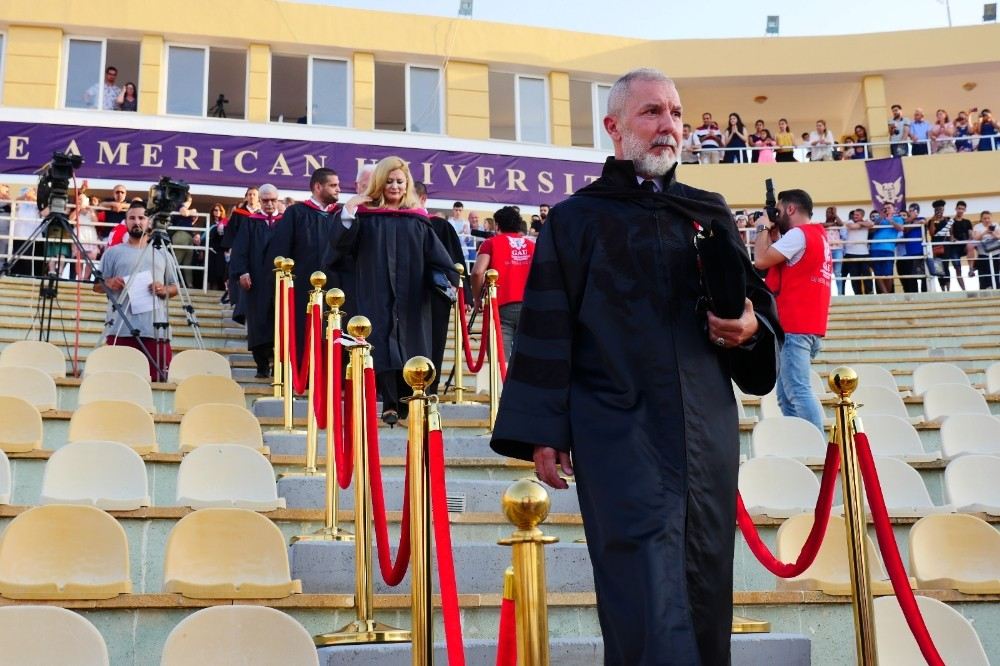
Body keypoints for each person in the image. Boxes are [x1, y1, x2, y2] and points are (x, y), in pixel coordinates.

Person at [490, 69, 781, 666]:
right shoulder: (575, 221)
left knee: (703, 579)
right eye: (652, 112)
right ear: (614, 127)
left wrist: (749, 328)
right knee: (643, 583)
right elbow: (548, 327)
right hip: (617, 427)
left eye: (676, 113)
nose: (668, 126)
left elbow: (758, 311)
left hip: (705, 430)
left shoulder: (708, 212)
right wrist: (548, 430)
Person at [335, 157, 457, 426]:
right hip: (376, 290)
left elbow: (437, 256)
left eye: (400, 182)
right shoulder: (365, 217)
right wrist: (348, 213)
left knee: (410, 342)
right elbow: (340, 247)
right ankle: (389, 402)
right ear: (379, 183)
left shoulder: (417, 219)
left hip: (411, 294)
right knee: (382, 342)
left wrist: (448, 280)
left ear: (407, 185)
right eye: (389, 181)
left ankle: (410, 398)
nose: (394, 186)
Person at [754, 189, 830, 434]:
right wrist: (774, 235)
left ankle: (816, 445)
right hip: (807, 325)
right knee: (786, 396)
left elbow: (761, 260)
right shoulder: (817, 235)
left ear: (790, 209)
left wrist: (763, 228)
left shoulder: (799, 234)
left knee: (796, 391)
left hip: (795, 326)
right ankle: (800, 441)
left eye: (778, 210)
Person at [94, 201, 178, 381]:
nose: (137, 222)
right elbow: (96, 286)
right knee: (118, 382)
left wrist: (163, 289)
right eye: (132, 218)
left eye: (141, 217)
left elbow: (175, 287)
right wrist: (109, 283)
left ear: (149, 221)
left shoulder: (162, 252)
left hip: (156, 330)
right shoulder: (113, 253)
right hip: (120, 328)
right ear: (126, 222)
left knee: (158, 382)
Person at [270, 169, 343, 366]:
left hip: (336, 288)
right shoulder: (296, 213)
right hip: (303, 286)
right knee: (305, 330)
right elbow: (281, 250)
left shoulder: (340, 215)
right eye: (333, 185)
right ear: (318, 187)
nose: (339, 190)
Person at [414, 180, 470, 396]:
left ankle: (431, 390)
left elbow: (457, 262)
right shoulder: (400, 222)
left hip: (437, 294)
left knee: (435, 342)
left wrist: (467, 298)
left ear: (422, 198)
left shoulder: (440, 225)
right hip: (408, 293)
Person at [470, 206, 536, 361]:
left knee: (500, 362)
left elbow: (477, 272)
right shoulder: (532, 245)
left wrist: (477, 298)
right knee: (527, 360)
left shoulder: (490, 243)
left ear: (497, 225)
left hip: (501, 305)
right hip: (529, 305)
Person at [231, 184, 284, 378]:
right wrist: (242, 272)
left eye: (273, 200)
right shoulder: (250, 222)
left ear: (278, 199)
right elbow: (240, 250)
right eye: (265, 200)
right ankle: (261, 365)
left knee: (281, 324)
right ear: (259, 201)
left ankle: (280, 366)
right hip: (257, 282)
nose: (269, 204)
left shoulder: (285, 222)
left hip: (282, 282)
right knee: (259, 323)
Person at [223, 186, 261, 323]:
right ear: (246, 197)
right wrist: (231, 248)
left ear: (258, 197)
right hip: (240, 250)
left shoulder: (261, 214)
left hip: (256, 251)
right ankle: (240, 306)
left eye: (254, 194)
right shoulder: (239, 213)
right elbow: (231, 231)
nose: (251, 197)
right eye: (249, 194)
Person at [870, 203, 903, 294]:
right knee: (878, 274)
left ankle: (887, 294)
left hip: (888, 249)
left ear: (894, 209)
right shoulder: (879, 219)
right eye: (884, 208)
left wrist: (890, 220)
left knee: (888, 274)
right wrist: (881, 217)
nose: (886, 209)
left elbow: (900, 228)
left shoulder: (898, 218)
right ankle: (885, 294)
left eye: (888, 208)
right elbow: (872, 229)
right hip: (875, 249)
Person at [842, 208, 874, 295]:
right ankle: (858, 294)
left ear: (862, 216)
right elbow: (852, 226)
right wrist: (862, 224)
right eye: (854, 215)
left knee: (867, 274)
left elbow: (871, 224)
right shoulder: (850, 222)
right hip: (851, 253)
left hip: (864, 253)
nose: (855, 216)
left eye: (857, 215)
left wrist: (860, 223)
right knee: (855, 276)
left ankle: (869, 293)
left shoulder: (867, 221)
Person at [898, 203, 927, 293]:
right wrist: (911, 221)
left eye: (911, 211)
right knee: (911, 276)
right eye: (909, 211)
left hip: (921, 252)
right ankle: (914, 294)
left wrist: (913, 222)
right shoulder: (905, 222)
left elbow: (923, 222)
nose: (909, 213)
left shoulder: (921, 218)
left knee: (923, 275)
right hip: (909, 254)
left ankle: (925, 294)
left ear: (916, 212)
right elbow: (905, 229)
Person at [972, 211, 1000, 289]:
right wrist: (985, 232)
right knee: (983, 274)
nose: (987, 220)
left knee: (995, 273)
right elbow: (976, 238)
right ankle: (985, 290)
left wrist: (992, 233)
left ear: (991, 218)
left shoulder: (996, 225)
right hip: (982, 254)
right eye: (985, 218)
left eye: (988, 218)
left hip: (995, 253)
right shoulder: (977, 226)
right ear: (981, 219)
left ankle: (996, 289)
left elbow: (998, 237)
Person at [205, 203, 229, 293]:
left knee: (220, 271)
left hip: (220, 250)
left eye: (219, 210)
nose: (217, 212)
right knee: (209, 271)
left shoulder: (226, 222)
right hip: (210, 249)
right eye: (215, 210)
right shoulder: (208, 222)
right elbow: (205, 237)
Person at [823, 207, 846, 295]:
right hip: (827, 251)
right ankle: (827, 295)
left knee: (838, 273)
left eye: (831, 212)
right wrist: (833, 224)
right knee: (826, 273)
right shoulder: (824, 223)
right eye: (827, 212)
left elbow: (841, 224)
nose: (829, 214)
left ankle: (840, 294)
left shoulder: (838, 223)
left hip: (838, 250)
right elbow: (822, 225)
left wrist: (835, 215)